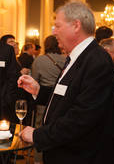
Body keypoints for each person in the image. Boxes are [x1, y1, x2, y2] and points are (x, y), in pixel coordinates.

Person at [18, 0, 114, 164]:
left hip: (80, 156)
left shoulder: (96, 61)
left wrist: (37, 135)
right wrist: (39, 91)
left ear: (76, 25)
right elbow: (69, 96)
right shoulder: (77, 56)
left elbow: (82, 117)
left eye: (57, 26)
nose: (54, 32)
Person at [31, 35, 66, 164]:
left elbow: (34, 81)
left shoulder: (39, 60)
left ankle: (38, 161)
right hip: (61, 101)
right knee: (57, 130)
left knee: (39, 131)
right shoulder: (66, 59)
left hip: (43, 100)